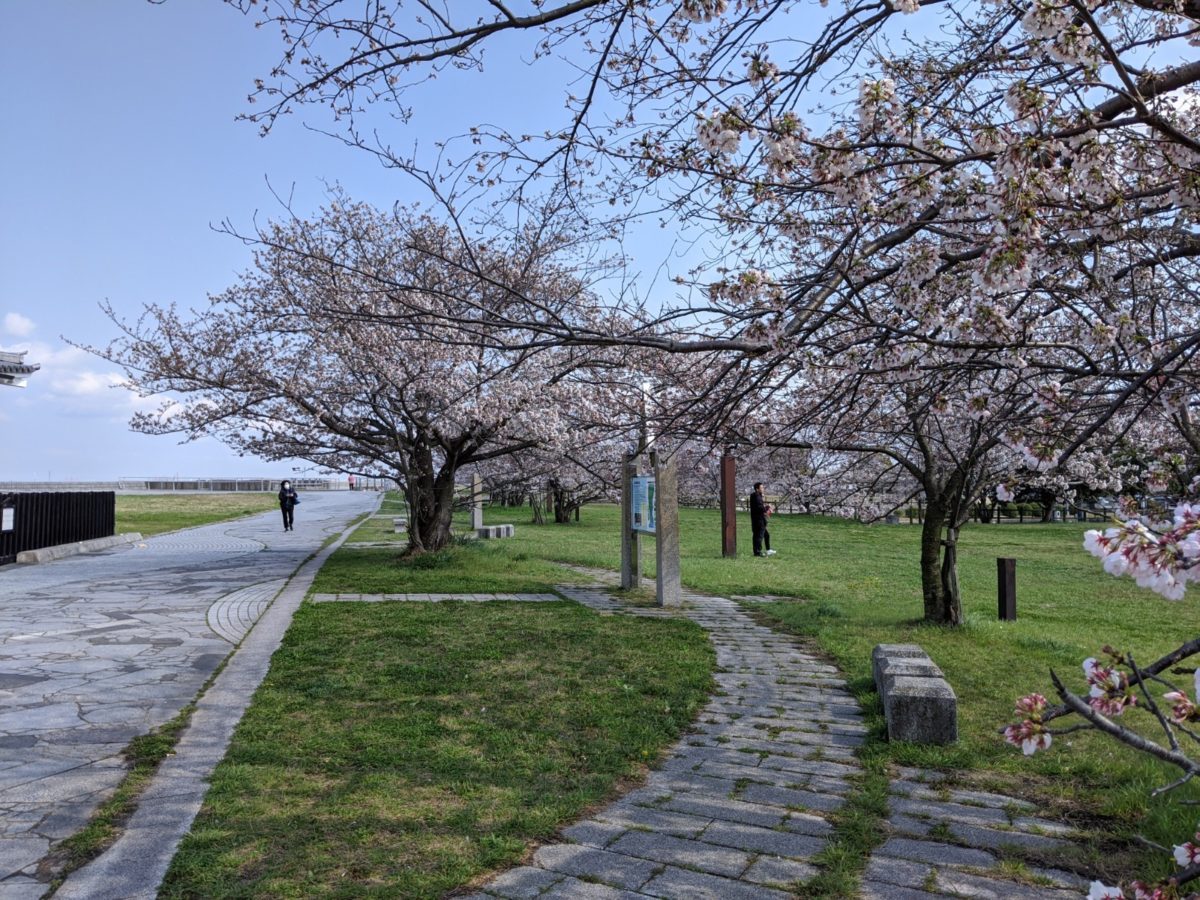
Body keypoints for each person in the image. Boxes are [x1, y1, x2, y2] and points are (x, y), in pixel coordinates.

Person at [749, 482, 776, 557]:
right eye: (761, 488)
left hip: (758, 520)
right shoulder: (756, 497)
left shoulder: (757, 496)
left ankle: (768, 550)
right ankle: (757, 552)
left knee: (766, 535)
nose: (763, 489)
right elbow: (759, 508)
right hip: (759, 521)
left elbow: (760, 506)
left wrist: (767, 507)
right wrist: (768, 508)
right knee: (759, 536)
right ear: (757, 489)